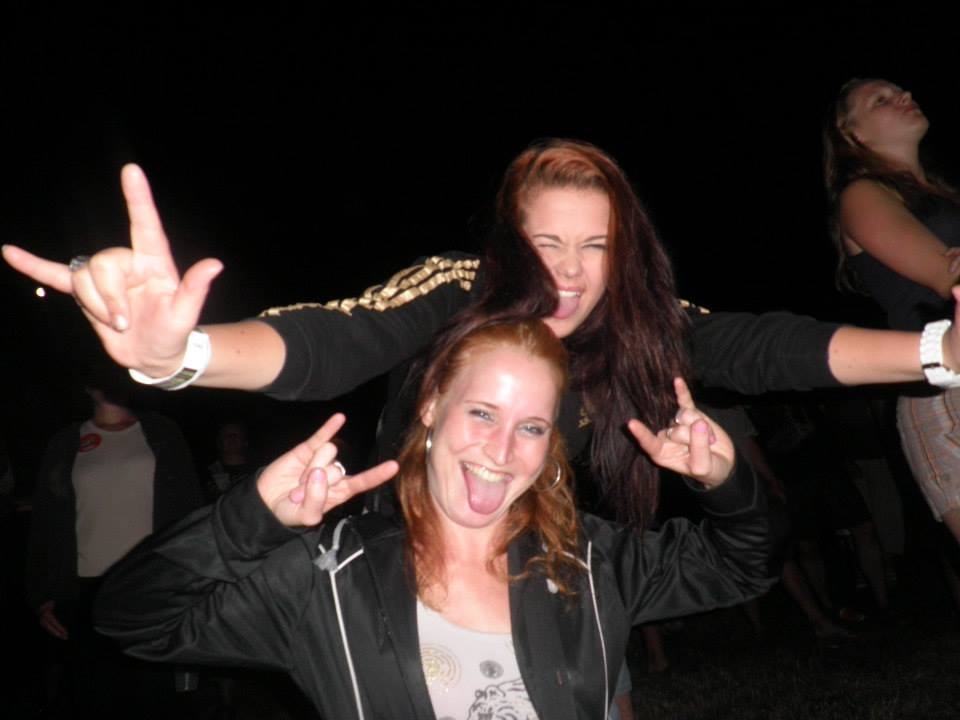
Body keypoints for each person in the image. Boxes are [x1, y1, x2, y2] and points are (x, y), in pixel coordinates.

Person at [4, 138, 960, 528]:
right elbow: (333, 339)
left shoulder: (629, 317)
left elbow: (762, 344)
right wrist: (179, 356)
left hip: (544, 556)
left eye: (597, 245)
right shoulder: (459, 287)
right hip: (401, 554)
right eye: (547, 242)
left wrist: (937, 354)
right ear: (509, 243)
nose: (571, 273)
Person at [92, 317, 777, 719]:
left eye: (531, 427)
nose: (501, 452)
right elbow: (132, 620)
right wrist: (249, 521)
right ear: (430, 407)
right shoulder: (332, 576)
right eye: (481, 413)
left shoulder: (590, 560)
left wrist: (726, 481)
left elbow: (749, 563)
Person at [823, 78, 960, 575]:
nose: (904, 96)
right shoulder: (861, 195)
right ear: (852, 133)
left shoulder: (945, 195)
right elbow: (948, 274)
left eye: (902, 91)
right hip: (944, 393)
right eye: (881, 100)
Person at [25, 358, 205, 718]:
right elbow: (46, 520)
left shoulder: (161, 431)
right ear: (86, 386)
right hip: (86, 591)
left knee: (155, 698)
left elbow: (189, 508)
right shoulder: (66, 441)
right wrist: (43, 593)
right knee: (95, 697)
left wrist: (195, 579)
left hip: (151, 584)